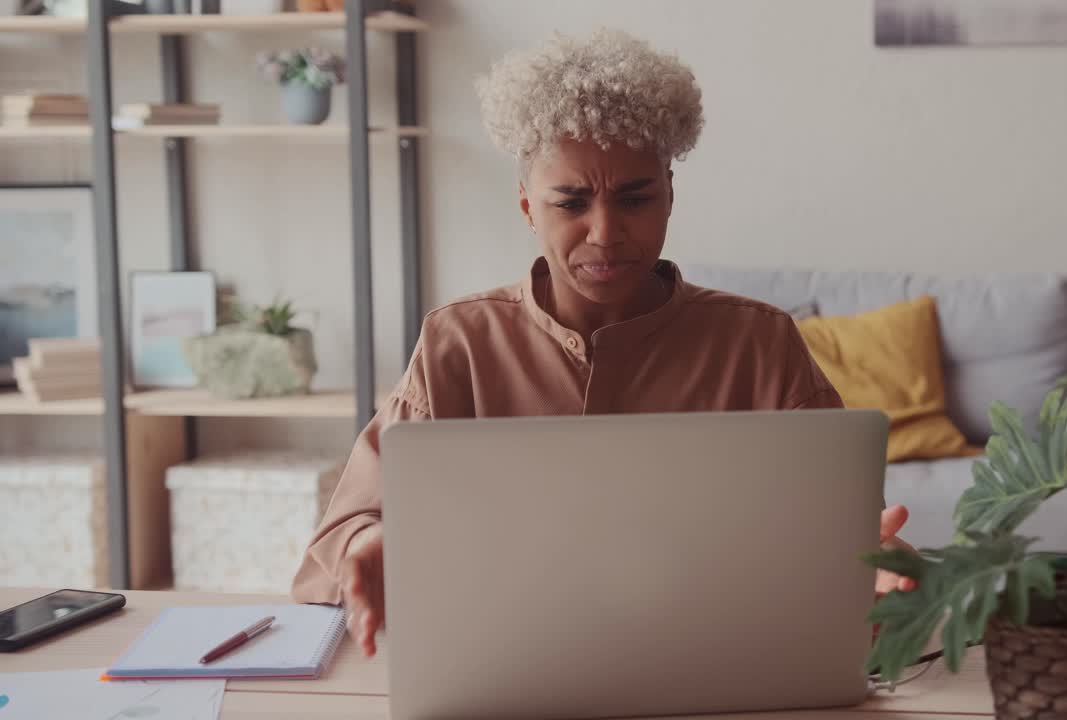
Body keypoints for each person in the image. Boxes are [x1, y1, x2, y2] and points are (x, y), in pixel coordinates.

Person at [291, 28, 916, 658]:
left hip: (719, 664)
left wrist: (884, 564)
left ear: (670, 194)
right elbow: (341, 537)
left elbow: (853, 533)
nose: (605, 232)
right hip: (506, 665)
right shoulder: (460, 342)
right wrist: (366, 548)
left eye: (635, 199)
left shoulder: (759, 343)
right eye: (571, 202)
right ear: (527, 207)